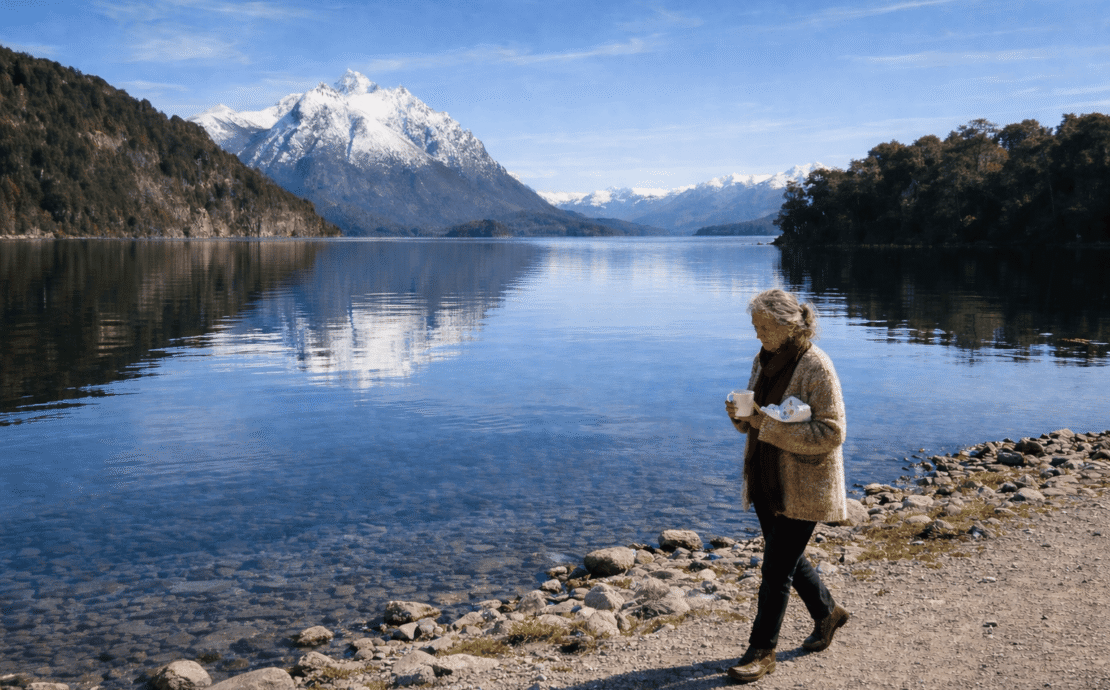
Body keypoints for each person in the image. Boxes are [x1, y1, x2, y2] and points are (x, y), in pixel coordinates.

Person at [724, 288, 851, 684]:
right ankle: (828, 613)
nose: (756, 333)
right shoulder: (764, 360)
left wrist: (767, 426)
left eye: (762, 326)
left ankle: (762, 652)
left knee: (776, 568)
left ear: (785, 324)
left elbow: (832, 432)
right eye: (754, 326)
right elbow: (756, 420)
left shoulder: (816, 365)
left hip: (804, 485)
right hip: (765, 478)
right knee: (787, 560)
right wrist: (740, 417)